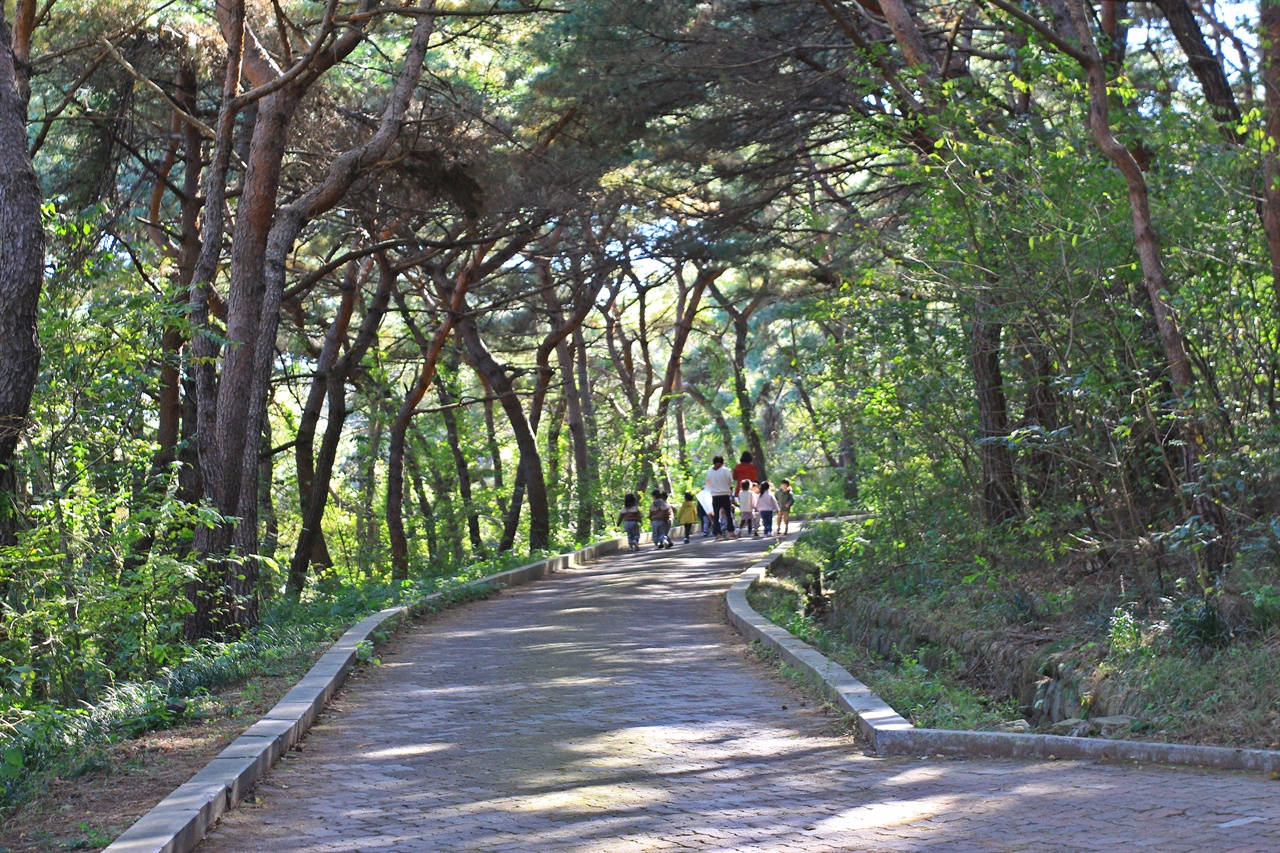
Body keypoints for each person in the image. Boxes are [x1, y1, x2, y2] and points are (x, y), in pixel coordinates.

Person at [705, 455, 736, 540]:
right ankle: (731, 533)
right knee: (728, 514)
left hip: (715, 496)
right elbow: (730, 482)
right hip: (725, 494)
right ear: (722, 462)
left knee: (716, 516)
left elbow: (707, 484)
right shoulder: (726, 470)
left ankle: (718, 535)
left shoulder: (709, 472)